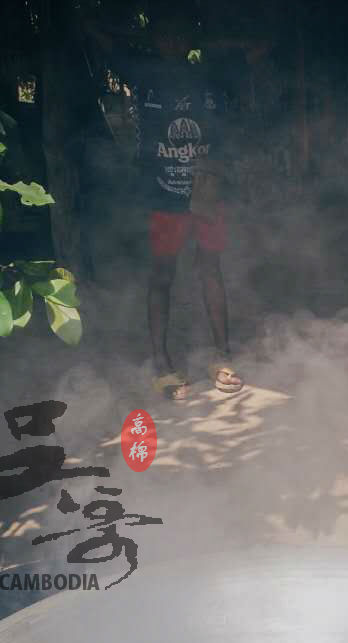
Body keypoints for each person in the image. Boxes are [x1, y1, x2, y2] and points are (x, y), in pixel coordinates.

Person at [96, 4, 248, 400]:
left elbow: (256, 49)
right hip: (162, 195)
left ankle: (222, 355)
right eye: (165, 34)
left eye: (181, 34)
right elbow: (99, 36)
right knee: (162, 275)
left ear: (192, 40)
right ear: (153, 40)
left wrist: (216, 170)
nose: (173, 41)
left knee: (210, 269)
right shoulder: (141, 74)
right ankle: (162, 363)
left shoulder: (210, 78)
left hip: (206, 193)